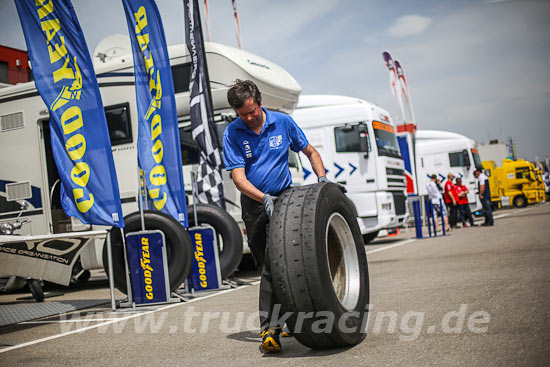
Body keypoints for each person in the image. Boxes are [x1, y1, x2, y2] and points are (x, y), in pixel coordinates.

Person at [222, 80, 327, 354]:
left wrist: (322, 180)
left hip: (285, 199)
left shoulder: (282, 122)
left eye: (251, 111)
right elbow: (238, 178)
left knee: (273, 262)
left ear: (259, 102)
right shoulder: (233, 133)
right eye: (242, 114)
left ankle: (270, 329)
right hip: (255, 205)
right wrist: (263, 199)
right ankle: (290, 318)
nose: (248, 118)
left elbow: (310, 151)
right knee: (267, 263)